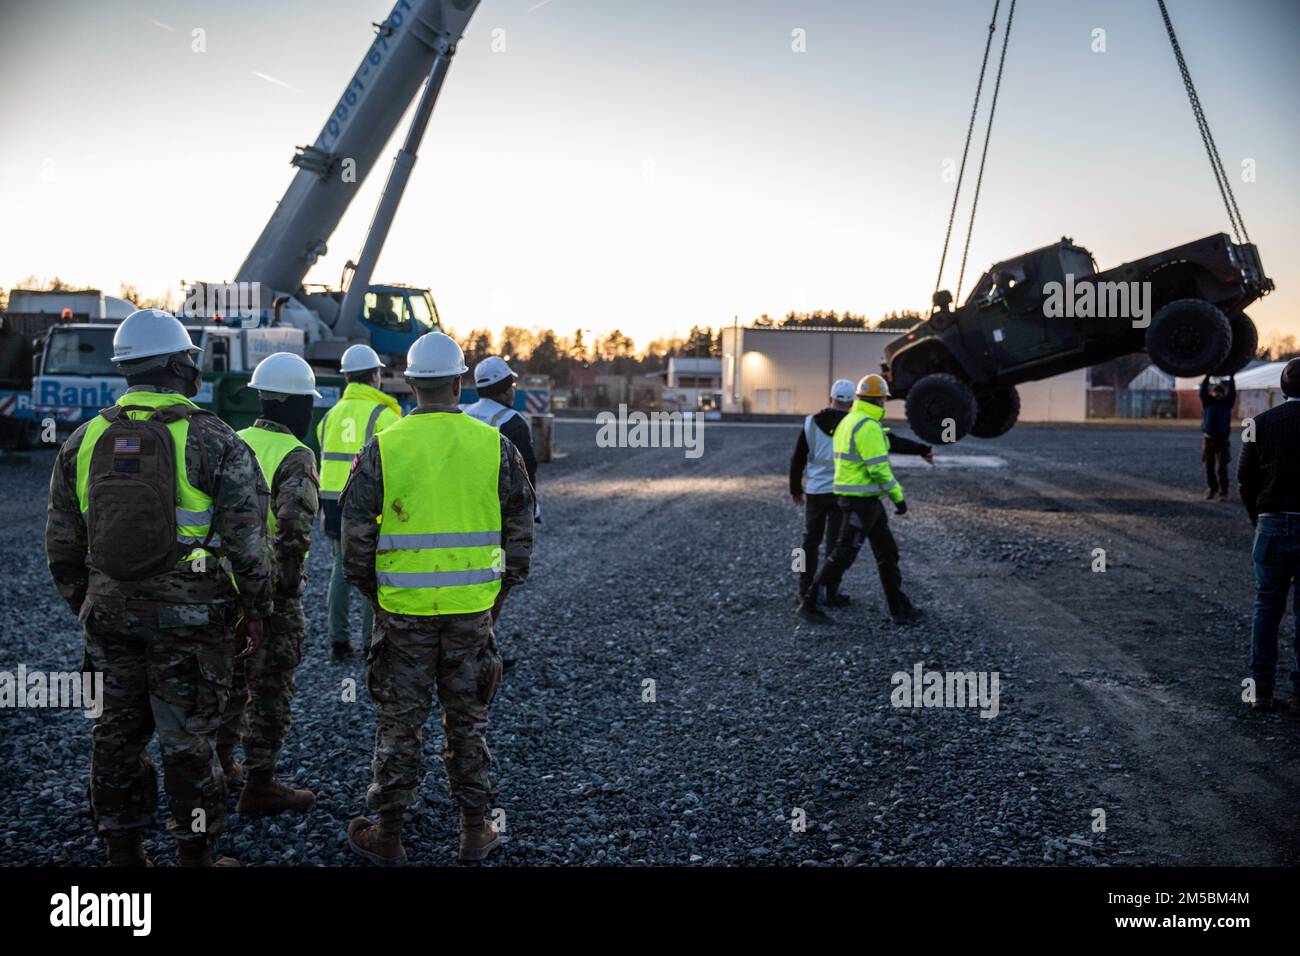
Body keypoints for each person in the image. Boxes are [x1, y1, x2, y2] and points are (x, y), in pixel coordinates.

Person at [45, 309, 271, 867]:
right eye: (189, 359)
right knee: (189, 739)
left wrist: (92, 603)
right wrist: (256, 611)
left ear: (127, 367)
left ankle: (124, 854)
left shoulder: (84, 438)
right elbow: (248, 544)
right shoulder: (214, 439)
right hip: (191, 621)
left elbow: (62, 546)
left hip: (108, 615)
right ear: (176, 364)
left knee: (114, 738)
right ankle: (194, 855)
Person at [341, 332, 534, 865]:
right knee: (467, 721)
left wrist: (374, 597)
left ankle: (389, 835)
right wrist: (500, 596)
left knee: (401, 724)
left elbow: (354, 536)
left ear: (412, 384)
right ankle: (474, 831)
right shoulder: (495, 445)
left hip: (402, 615)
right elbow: (519, 531)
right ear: (458, 381)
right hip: (472, 611)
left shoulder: (384, 446)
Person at [218, 353, 320, 814]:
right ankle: (259, 784)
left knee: (225, 680)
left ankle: (220, 765)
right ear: (299, 405)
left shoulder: (230, 441)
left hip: (220, 588)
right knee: (271, 688)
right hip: (270, 594)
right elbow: (293, 530)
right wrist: (288, 587)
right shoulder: (296, 455)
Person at [790, 378, 934, 606]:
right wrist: (921, 450)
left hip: (817, 491)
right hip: (844, 490)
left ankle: (804, 590)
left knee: (809, 543)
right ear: (852, 402)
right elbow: (889, 444)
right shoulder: (857, 422)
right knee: (836, 546)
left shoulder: (811, 422)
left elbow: (798, 458)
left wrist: (795, 488)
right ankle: (828, 594)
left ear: (830, 398)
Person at [317, 343, 402, 660]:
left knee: (340, 570)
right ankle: (371, 642)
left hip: (332, 502)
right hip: (368, 503)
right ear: (375, 375)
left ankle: (338, 642)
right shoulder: (385, 415)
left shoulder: (329, 415)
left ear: (347, 378)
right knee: (374, 571)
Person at [1237, 358, 1300, 713]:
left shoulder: (1257, 424)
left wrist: (1257, 517)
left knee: (1266, 610)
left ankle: (1260, 690)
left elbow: (1245, 478)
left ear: (1283, 388)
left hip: (1272, 523)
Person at [1200, 374, 1236, 500]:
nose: (1218, 394)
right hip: (1208, 439)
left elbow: (1232, 393)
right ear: (1212, 392)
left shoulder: (1227, 404)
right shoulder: (1207, 403)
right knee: (1209, 466)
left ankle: (1223, 492)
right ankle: (1212, 489)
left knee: (1222, 467)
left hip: (1222, 440)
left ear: (1223, 394)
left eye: (1220, 392)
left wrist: (1232, 377)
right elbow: (1202, 390)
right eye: (1216, 391)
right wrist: (1207, 376)